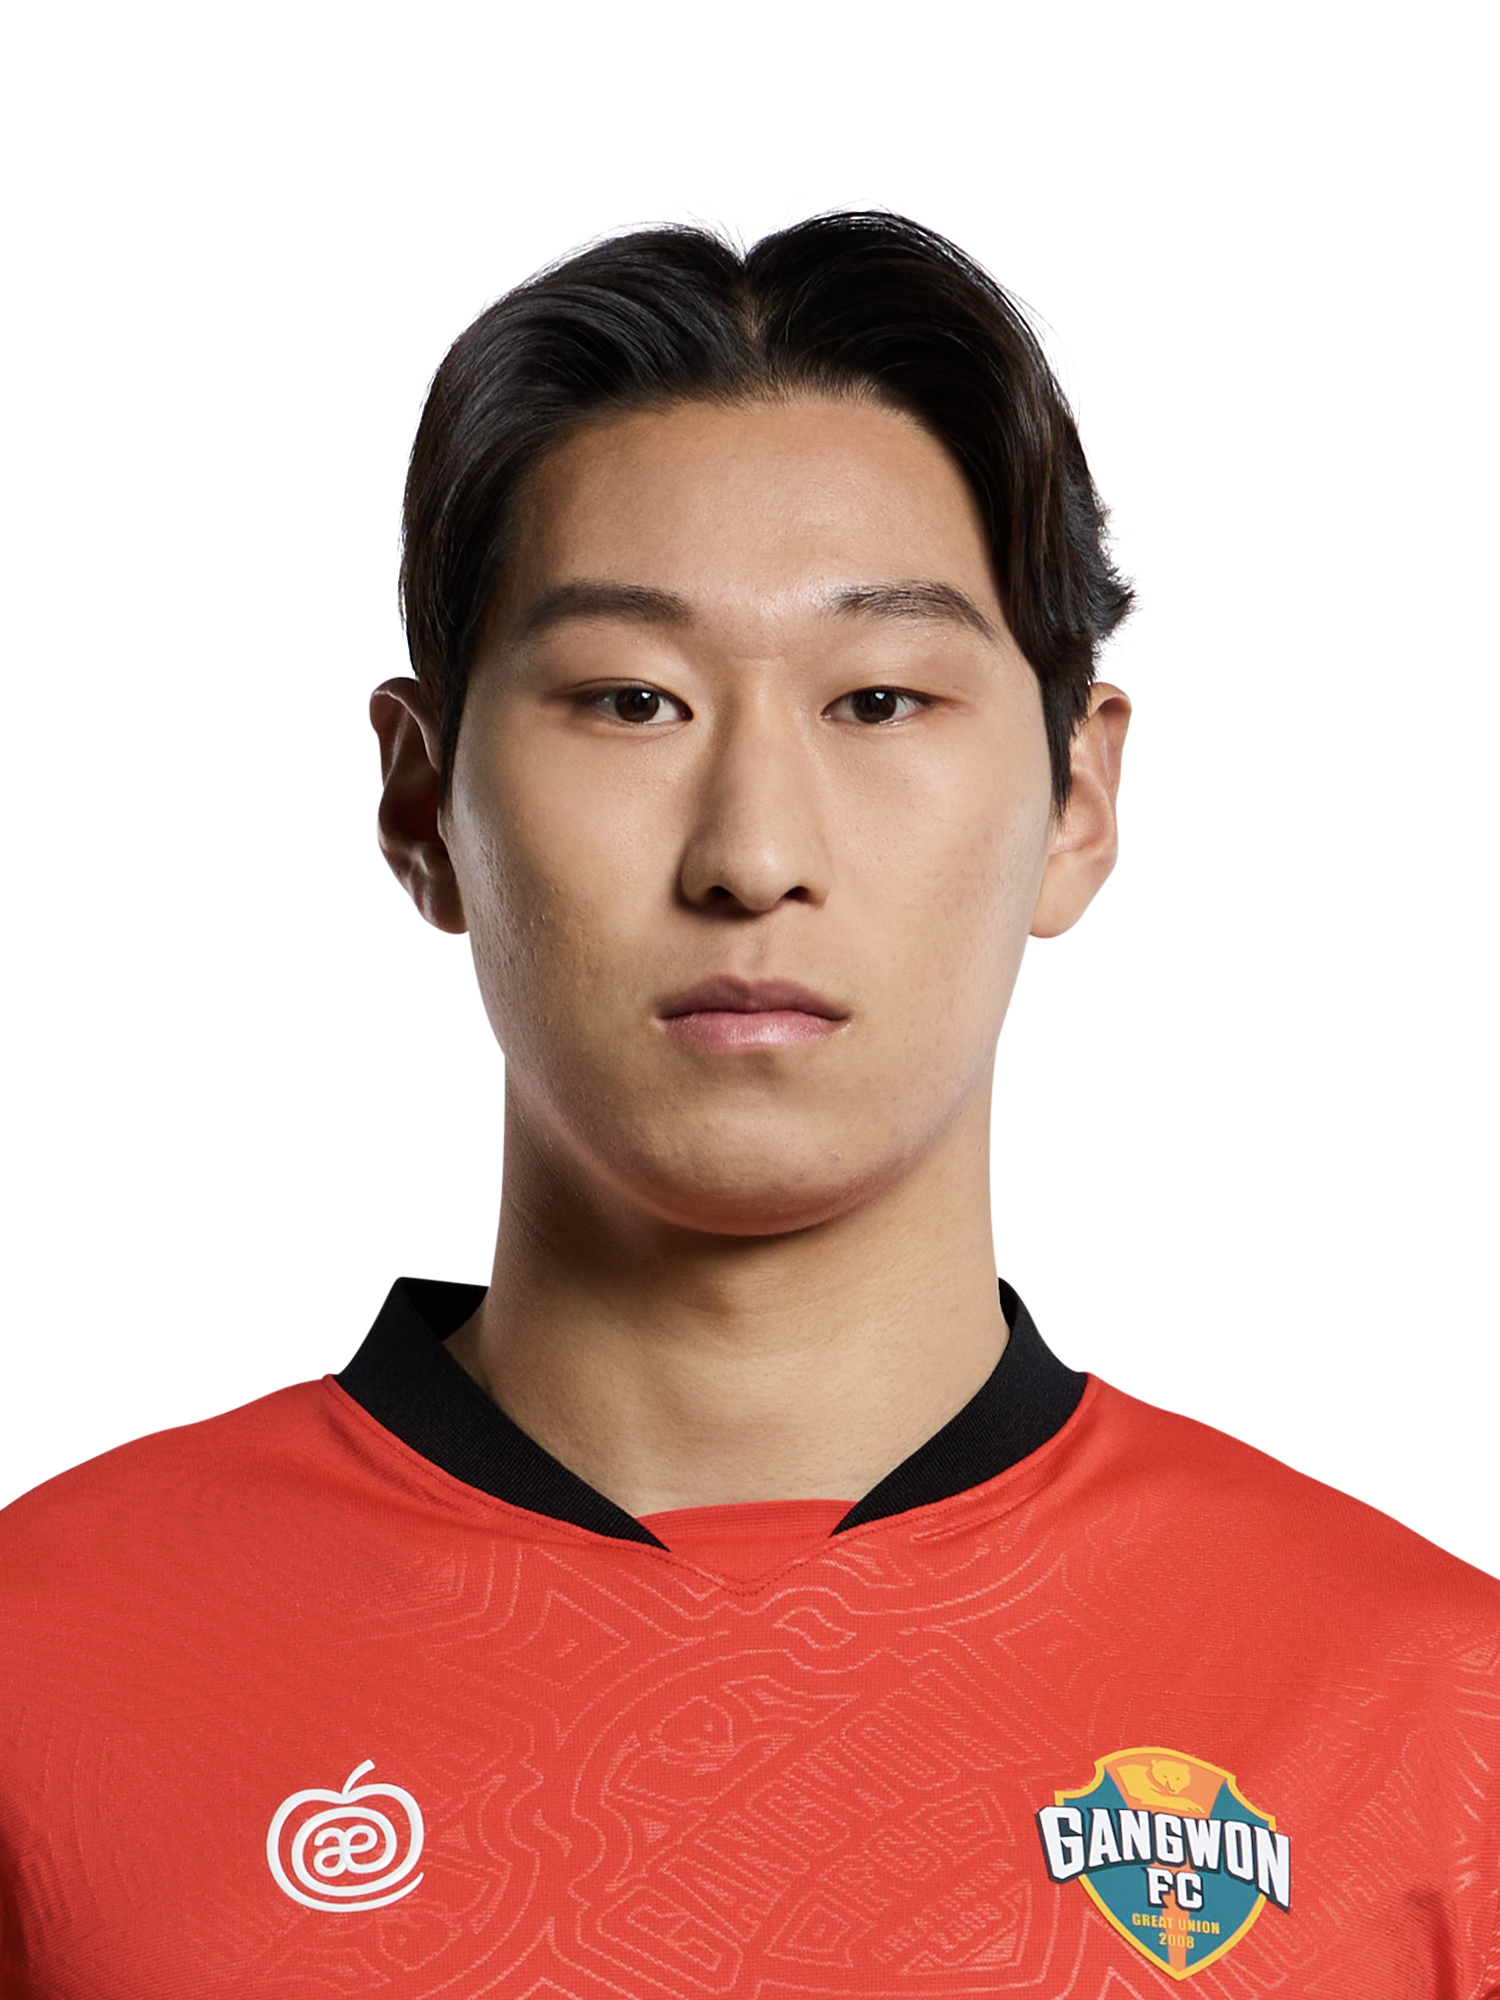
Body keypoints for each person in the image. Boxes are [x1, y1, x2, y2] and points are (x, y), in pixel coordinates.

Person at [1, 202, 1495, 1998]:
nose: (755, 851)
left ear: (1078, 803)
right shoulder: (43, 1667)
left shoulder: (1431, 1715)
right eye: (632, 700)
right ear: (421, 805)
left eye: (880, 699)